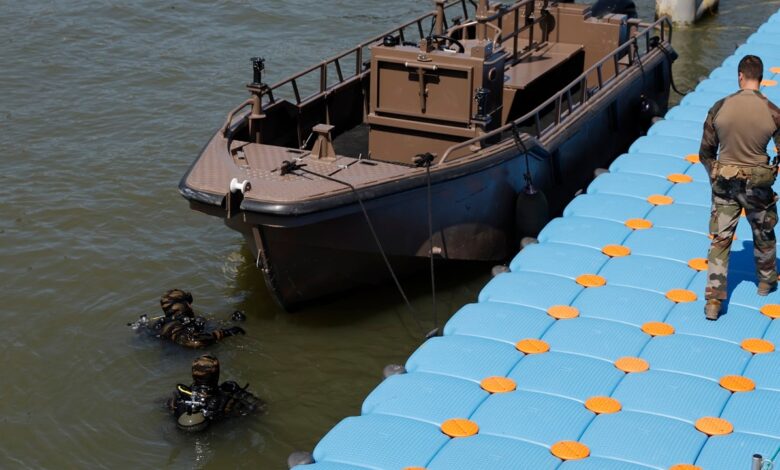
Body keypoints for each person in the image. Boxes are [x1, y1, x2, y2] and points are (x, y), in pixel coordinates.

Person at [700, 55, 780, 320]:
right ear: (760, 78)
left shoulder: (720, 107)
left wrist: (715, 174)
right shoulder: (772, 111)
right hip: (758, 186)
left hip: (724, 184)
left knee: (721, 240)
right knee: (763, 232)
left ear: (740, 76)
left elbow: (705, 151)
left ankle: (713, 301)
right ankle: (766, 282)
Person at [169, 354, 264, 432]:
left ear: (193, 374)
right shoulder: (228, 394)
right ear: (216, 375)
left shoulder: (179, 395)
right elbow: (260, 407)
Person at [130, 289, 246, 348]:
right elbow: (194, 342)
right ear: (182, 305)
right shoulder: (172, 326)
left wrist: (232, 321)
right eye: (188, 302)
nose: (191, 306)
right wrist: (223, 333)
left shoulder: (161, 324)